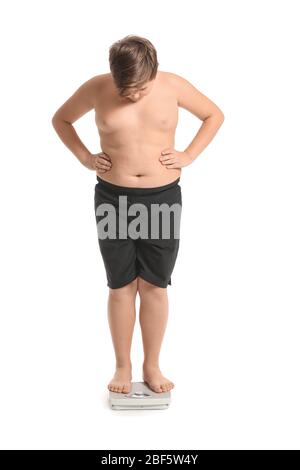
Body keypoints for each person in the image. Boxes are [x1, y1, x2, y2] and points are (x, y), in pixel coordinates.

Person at [52, 35, 224, 394]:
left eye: (139, 87)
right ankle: (121, 366)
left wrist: (189, 155)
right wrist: (85, 158)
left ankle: (152, 366)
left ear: (153, 71)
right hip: (113, 199)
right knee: (121, 286)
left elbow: (213, 114)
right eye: (124, 87)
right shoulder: (97, 88)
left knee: (155, 286)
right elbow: (62, 120)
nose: (130, 94)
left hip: (162, 199)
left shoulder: (174, 85)